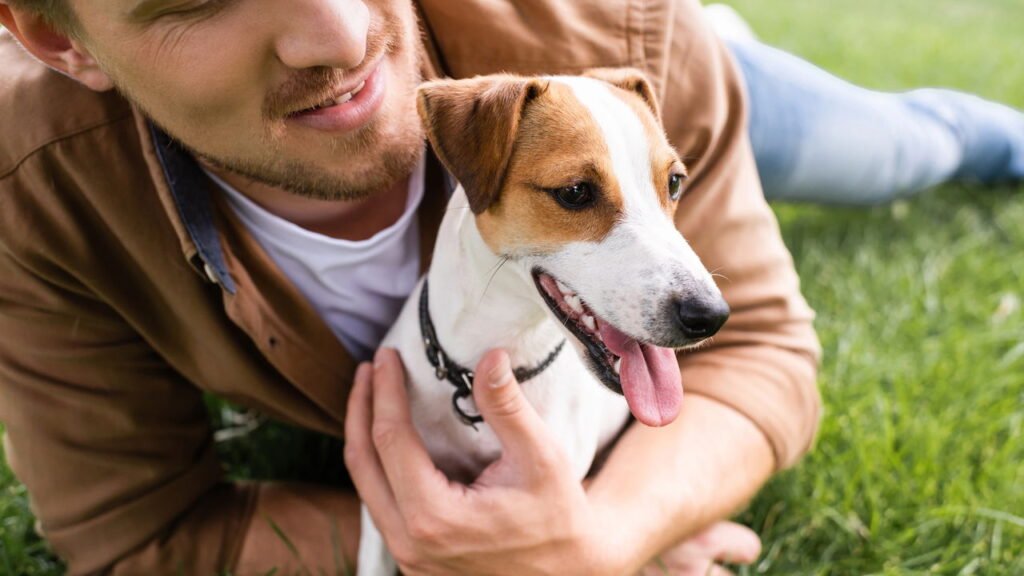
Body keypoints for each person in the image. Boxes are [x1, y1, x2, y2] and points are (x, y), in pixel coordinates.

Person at [0, 1, 1016, 575]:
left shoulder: (623, 26)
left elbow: (762, 352)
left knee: (901, 147)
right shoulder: (30, 190)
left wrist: (605, 535)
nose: (341, 34)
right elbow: (141, 537)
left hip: (672, 82)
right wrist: (464, 551)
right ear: (58, 37)